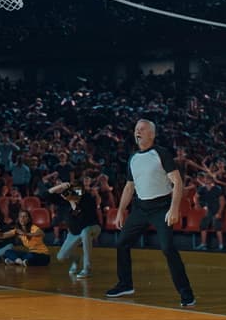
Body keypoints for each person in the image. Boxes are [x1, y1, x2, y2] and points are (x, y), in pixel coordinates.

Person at [107, 119, 196, 307]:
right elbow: (129, 187)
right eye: (136, 129)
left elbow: (177, 182)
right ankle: (125, 284)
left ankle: (187, 294)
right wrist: (121, 211)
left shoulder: (161, 153)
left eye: (142, 129)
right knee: (122, 243)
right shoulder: (133, 158)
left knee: (167, 248)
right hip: (140, 208)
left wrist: (174, 208)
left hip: (161, 207)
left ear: (152, 134)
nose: (137, 132)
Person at [49, 177, 102, 278]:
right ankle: (76, 259)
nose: (78, 193)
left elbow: (81, 217)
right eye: (74, 190)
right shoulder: (66, 201)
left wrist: (72, 201)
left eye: (79, 190)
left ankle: (87, 269)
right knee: (61, 257)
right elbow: (46, 195)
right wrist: (60, 186)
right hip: (75, 232)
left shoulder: (88, 199)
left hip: (92, 227)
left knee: (85, 231)